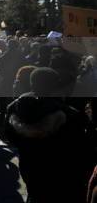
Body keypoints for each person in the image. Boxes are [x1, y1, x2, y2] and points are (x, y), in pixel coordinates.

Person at [6, 68, 95, 203]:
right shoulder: (68, 114)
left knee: (34, 193)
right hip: (61, 172)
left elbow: (10, 137)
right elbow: (81, 149)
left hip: (29, 165)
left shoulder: (15, 108)